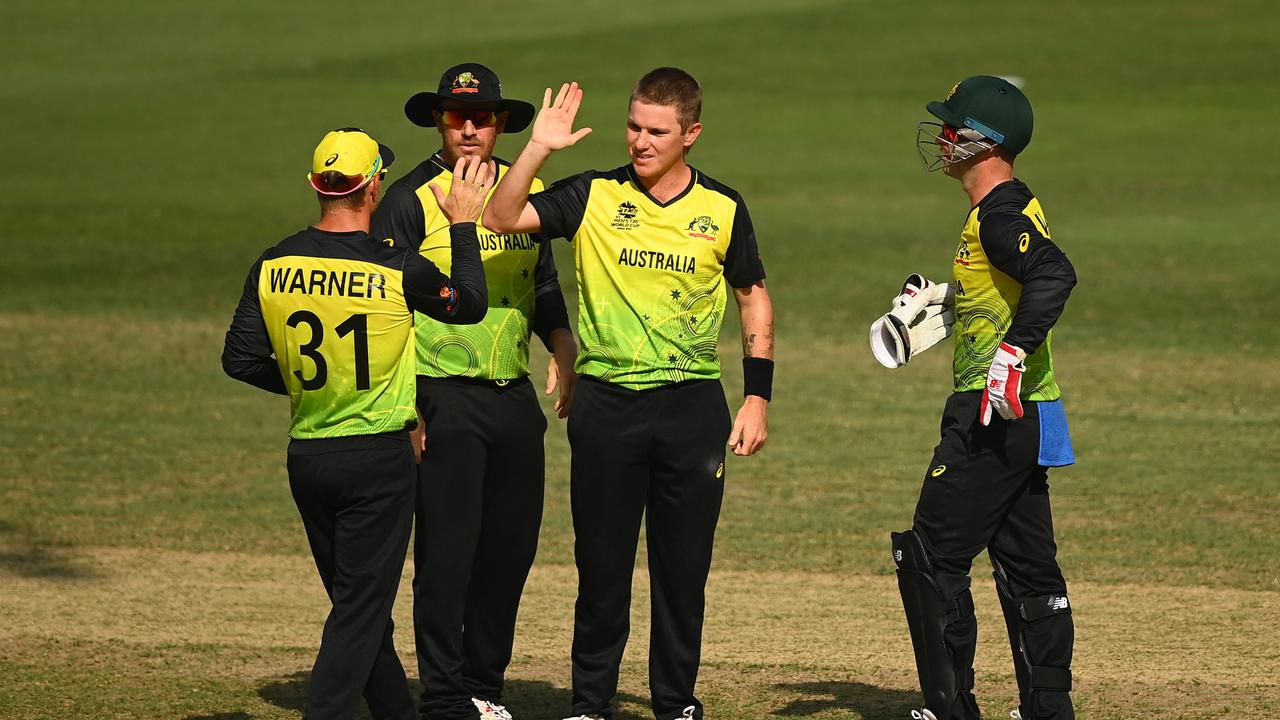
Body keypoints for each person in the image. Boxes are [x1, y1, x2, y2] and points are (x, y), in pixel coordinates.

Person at [484, 68, 774, 720]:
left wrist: (758, 397)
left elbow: (753, 296)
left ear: (690, 134)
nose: (641, 141)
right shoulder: (591, 193)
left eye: (657, 131)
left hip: (692, 409)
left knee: (682, 572)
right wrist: (538, 149)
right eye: (634, 126)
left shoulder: (722, 208)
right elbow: (501, 217)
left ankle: (675, 705)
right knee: (602, 570)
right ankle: (590, 705)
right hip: (606, 408)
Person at [221, 127, 492, 720]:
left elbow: (239, 358)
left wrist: (318, 389)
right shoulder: (397, 266)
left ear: (318, 186)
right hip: (377, 461)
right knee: (359, 612)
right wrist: (465, 226)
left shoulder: (274, 263)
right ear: (373, 187)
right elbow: (469, 305)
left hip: (309, 458)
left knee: (357, 604)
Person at [370, 62, 577, 720]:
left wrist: (563, 345)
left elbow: (541, 279)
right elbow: (385, 312)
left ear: (499, 124)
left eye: (480, 117)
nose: (467, 128)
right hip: (439, 399)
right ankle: (445, 696)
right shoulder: (407, 199)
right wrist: (403, 408)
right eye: (455, 116)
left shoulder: (527, 189)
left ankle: (485, 690)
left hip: (512, 398)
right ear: (437, 120)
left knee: (509, 554)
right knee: (447, 557)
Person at [889, 76, 1078, 720]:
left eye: (950, 127)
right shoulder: (1010, 207)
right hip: (1028, 414)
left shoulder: (997, 216)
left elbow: (1054, 273)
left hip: (991, 410)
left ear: (979, 142)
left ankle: (949, 709)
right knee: (1029, 570)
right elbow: (1015, 285)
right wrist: (952, 301)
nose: (941, 138)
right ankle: (1049, 711)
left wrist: (1009, 352)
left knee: (930, 554)